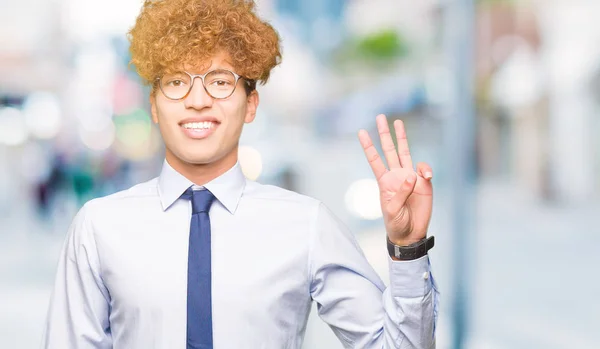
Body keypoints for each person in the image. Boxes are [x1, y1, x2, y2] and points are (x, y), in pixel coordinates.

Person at [41, 0, 439, 348]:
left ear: (251, 104)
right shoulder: (98, 228)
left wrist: (408, 249)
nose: (198, 101)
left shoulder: (305, 224)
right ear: (154, 104)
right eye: (177, 82)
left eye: (220, 81)